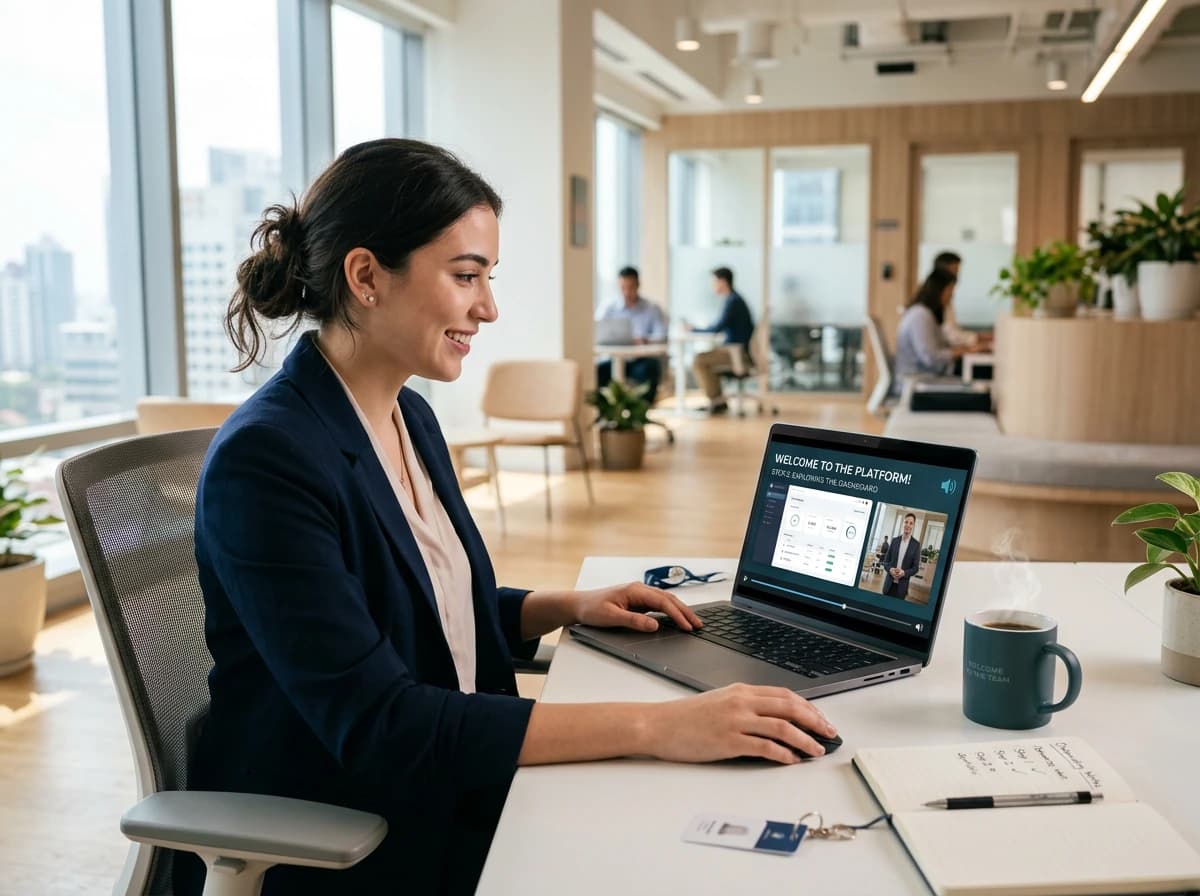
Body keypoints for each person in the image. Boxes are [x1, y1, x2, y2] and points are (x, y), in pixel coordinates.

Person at [182, 139, 838, 896]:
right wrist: (658, 727)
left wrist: (562, 606)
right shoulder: (267, 461)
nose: (488, 307)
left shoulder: (410, 419)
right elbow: (381, 723)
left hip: (454, 780)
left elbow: (413, 612)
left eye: (488, 278)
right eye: (466, 276)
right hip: (355, 833)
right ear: (365, 276)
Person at [890, 267, 968, 397]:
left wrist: (963, 349)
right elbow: (930, 358)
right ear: (939, 291)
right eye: (950, 290)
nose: (951, 296)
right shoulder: (920, 316)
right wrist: (963, 351)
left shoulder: (925, 314)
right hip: (916, 383)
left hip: (923, 378)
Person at [595, 266, 667, 403]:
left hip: (641, 360)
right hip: (615, 359)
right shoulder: (608, 307)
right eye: (623, 287)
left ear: (638, 285)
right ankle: (606, 413)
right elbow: (597, 331)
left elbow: (661, 335)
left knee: (650, 369)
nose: (627, 292)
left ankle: (642, 413)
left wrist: (646, 340)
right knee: (597, 372)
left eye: (630, 287)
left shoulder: (652, 308)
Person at [688, 267, 755, 414]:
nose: (713, 286)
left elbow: (717, 328)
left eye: (714, 282)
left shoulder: (733, 301)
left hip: (736, 353)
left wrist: (692, 329)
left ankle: (716, 401)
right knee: (706, 359)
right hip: (737, 350)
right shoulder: (735, 299)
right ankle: (718, 400)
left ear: (722, 282)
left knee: (699, 360)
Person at [932, 251, 992, 351]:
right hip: (943, 355)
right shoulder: (936, 299)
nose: (957, 276)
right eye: (955, 270)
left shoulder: (945, 297)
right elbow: (950, 334)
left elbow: (952, 328)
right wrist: (977, 340)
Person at [882, 513, 921, 599]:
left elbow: (915, 568)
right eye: (906, 522)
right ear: (903, 523)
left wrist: (904, 573)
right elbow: (885, 562)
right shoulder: (894, 541)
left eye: (911, 523)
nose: (908, 525)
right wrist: (890, 569)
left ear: (913, 525)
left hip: (901, 588)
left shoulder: (916, 545)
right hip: (888, 585)